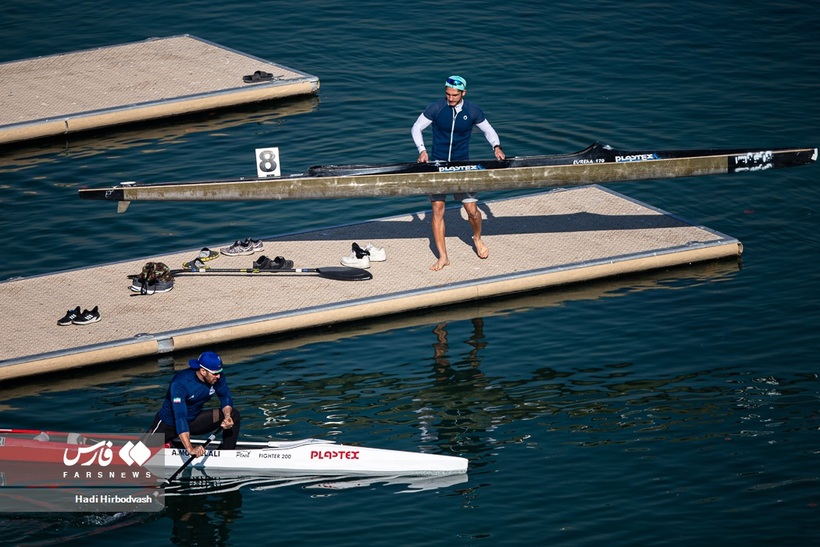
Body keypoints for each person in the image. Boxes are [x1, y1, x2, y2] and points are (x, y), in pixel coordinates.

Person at [411, 75, 506, 271]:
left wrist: (496, 147)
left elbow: (489, 131)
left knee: (472, 211)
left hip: (462, 166)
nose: (450, 98)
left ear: (463, 93)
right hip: (438, 165)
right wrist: (422, 150)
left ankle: (477, 238)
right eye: (448, 94)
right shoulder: (436, 108)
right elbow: (416, 127)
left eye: (454, 95)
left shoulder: (472, 111)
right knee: (437, 210)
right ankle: (443, 257)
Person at [148, 351, 241, 457]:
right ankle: (168, 442)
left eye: (220, 372)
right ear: (203, 371)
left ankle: (227, 455)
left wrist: (227, 417)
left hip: (193, 421)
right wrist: (190, 449)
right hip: (169, 424)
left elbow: (225, 397)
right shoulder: (180, 384)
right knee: (138, 455)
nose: (219, 376)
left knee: (234, 414)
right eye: (215, 373)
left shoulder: (216, 377)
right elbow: (180, 417)